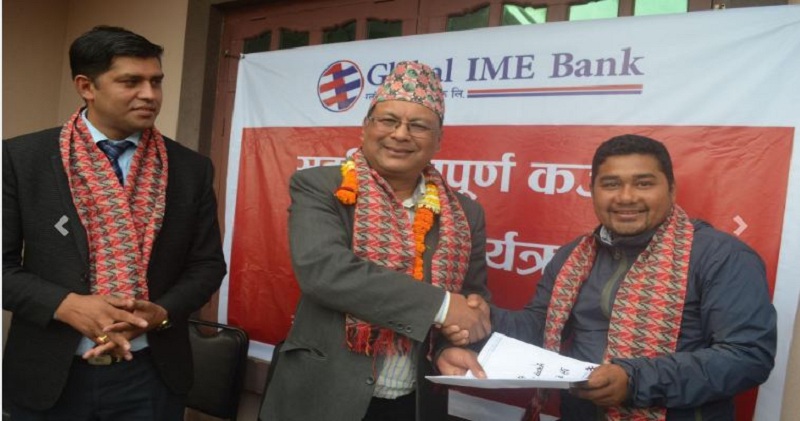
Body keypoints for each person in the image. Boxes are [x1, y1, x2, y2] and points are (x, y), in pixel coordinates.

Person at [437, 134, 777, 420]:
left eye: (643, 183)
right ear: (593, 190)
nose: (626, 197)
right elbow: (541, 327)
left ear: (671, 189)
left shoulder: (721, 257)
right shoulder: (573, 256)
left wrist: (634, 380)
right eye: (611, 184)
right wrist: (486, 319)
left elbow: (748, 356)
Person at [3, 26, 227, 419]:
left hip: (151, 375)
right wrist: (65, 305)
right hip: (48, 376)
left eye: (156, 81)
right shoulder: (21, 160)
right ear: (86, 86)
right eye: (131, 81)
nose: (150, 94)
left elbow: (207, 266)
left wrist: (161, 313)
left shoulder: (190, 168)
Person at [260, 61, 491, 421]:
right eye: (388, 120)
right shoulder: (321, 186)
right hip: (321, 395)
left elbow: (471, 295)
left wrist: (450, 343)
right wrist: (444, 307)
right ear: (365, 127)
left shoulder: (465, 213)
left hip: (413, 401)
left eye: (418, 126)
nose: (400, 134)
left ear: (439, 139)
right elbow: (325, 272)